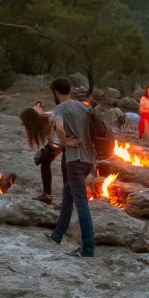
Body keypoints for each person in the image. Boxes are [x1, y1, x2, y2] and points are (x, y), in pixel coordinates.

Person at [45, 77, 96, 257]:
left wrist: (65, 144)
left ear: (56, 93)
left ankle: (88, 248)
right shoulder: (83, 107)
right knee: (68, 194)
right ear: (70, 91)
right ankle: (57, 235)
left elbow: (59, 127)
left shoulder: (60, 108)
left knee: (81, 203)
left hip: (75, 161)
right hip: (89, 159)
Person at [19, 107, 61, 205]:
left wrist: (49, 150)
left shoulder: (50, 119)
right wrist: (45, 151)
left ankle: (67, 201)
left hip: (70, 139)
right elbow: (54, 141)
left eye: (24, 122)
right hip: (61, 141)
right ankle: (47, 195)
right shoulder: (41, 122)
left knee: (66, 168)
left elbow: (60, 140)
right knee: (45, 161)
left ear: (30, 120)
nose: (23, 124)